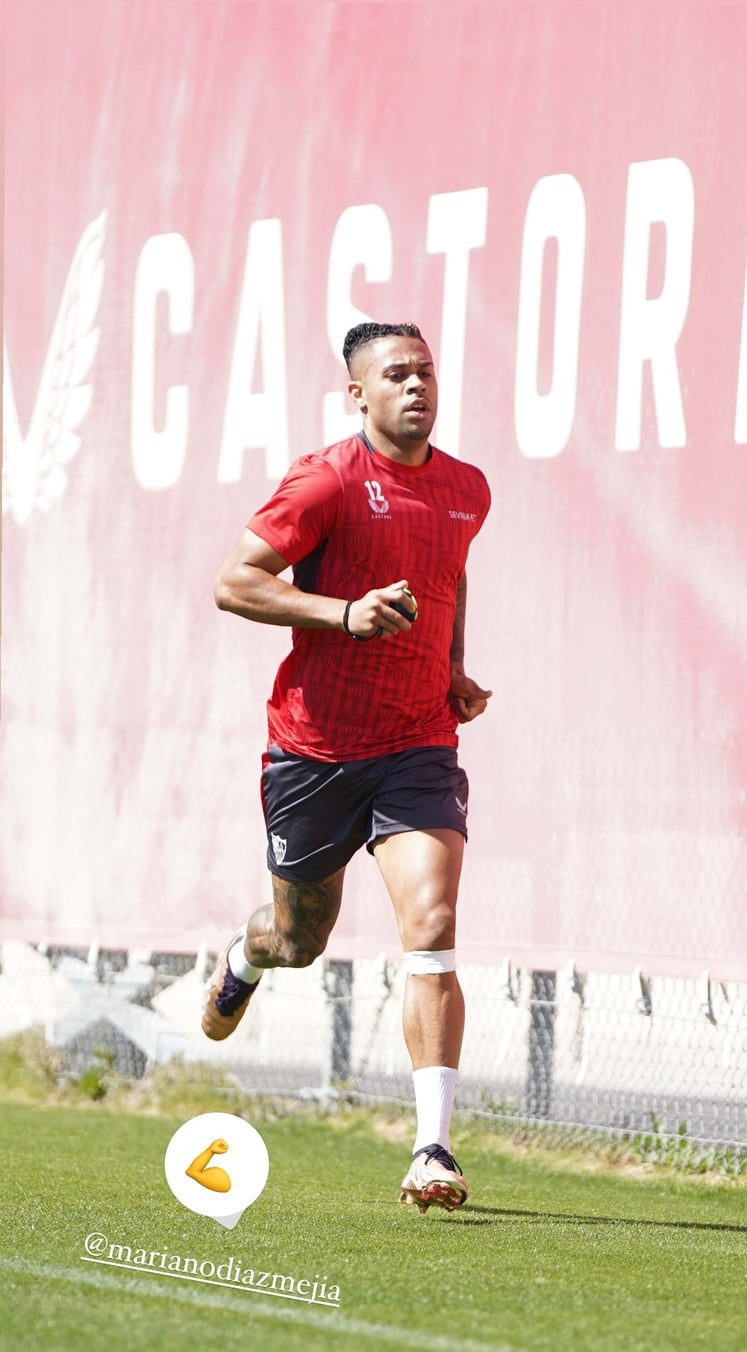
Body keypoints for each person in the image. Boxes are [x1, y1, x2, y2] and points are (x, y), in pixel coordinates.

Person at [202, 321, 491, 1213]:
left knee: (432, 925)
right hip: (315, 752)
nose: (417, 386)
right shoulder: (326, 479)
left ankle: (432, 1148)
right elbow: (235, 581)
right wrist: (343, 613)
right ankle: (247, 957)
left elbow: (452, 577)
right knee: (301, 940)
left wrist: (451, 668)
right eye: (396, 375)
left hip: (418, 745)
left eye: (426, 371)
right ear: (357, 394)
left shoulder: (468, 488)